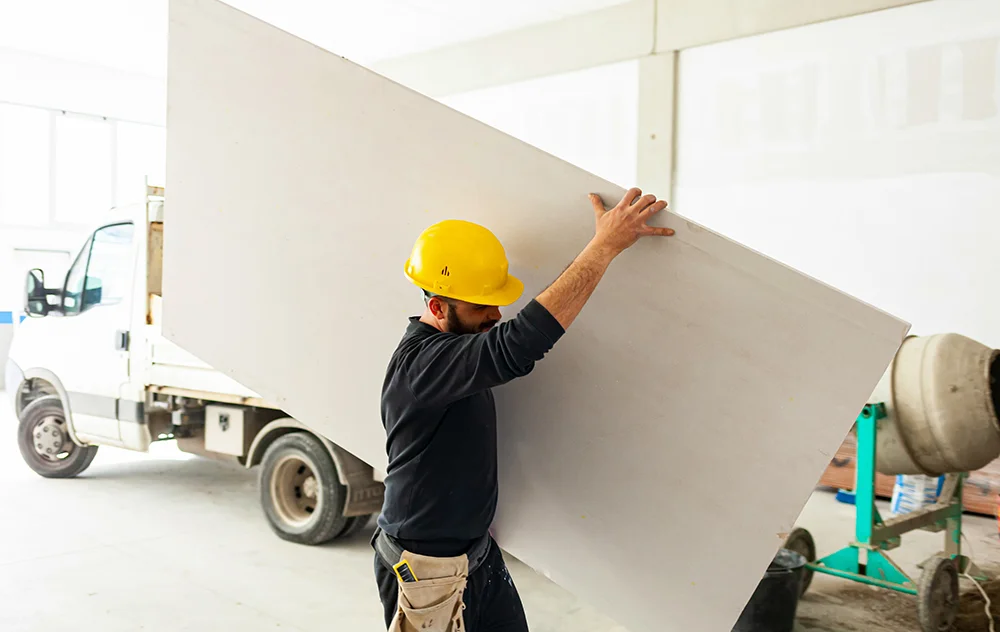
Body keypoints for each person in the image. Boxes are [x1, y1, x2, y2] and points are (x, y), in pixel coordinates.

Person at [373, 189, 673, 632]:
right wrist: (603, 247)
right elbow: (517, 345)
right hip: (425, 573)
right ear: (437, 306)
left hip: (474, 556)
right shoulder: (424, 365)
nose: (495, 313)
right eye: (481, 305)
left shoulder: (452, 352)